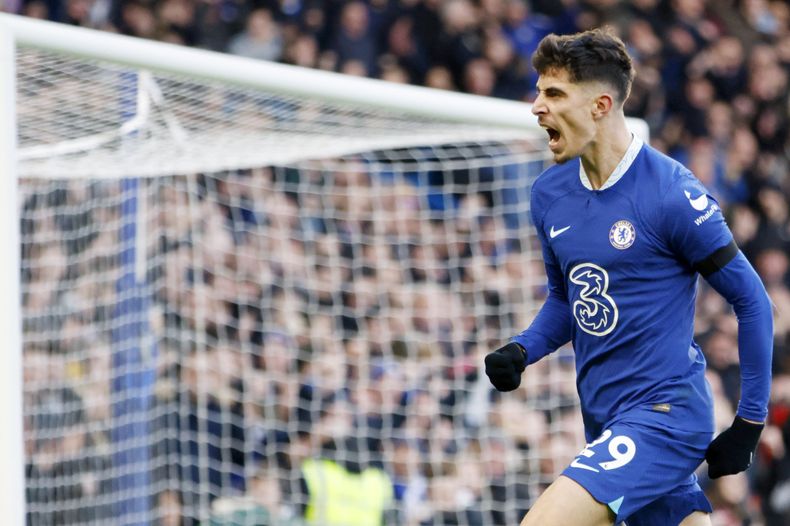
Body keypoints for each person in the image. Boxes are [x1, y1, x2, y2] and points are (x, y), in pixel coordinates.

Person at [484, 28, 774, 526]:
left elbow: (752, 300)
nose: (536, 106)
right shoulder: (549, 194)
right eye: (538, 92)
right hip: (605, 421)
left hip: (664, 417)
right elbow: (567, 298)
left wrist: (749, 422)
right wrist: (524, 349)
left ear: (600, 104)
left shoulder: (671, 194)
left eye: (553, 93)